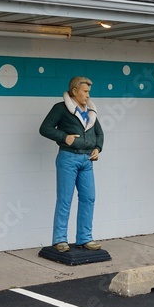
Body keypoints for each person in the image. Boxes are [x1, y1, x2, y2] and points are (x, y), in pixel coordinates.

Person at [39, 76, 104, 252]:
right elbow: (45, 128)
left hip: (87, 160)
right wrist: (64, 137)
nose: (88, 95)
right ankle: (60, 239)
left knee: (89, 198)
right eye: (85, 91)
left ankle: (85, 238)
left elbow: (99, 133)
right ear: (75, 91)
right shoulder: (60, 109)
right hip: (68, 158)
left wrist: (98, 147)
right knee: (65, 199)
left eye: (89, 92)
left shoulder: (90, 111)